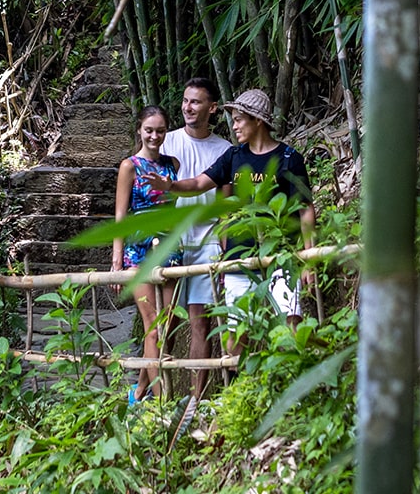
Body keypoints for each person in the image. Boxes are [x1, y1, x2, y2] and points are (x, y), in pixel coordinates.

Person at [154, 88, 315, 339]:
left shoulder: (289, 158)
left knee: (289, 328)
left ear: (258, 121)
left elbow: (305, 209)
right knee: (235, 338)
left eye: (239, 119)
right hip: (239, 258)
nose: (235, 126)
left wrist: (308, 258)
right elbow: (198, 183)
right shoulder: (233, 156)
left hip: (282, 255)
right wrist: (171, 186)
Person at [161, 77, 232, 405]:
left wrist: (225, 246)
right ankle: (157, 397)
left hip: (207, 242)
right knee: (165, 321)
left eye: (196, 102)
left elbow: (230, 205)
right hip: (170, 240)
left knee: (199, 321)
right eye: (186, 101)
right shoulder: (166, 142)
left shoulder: (225, 151)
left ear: (212, 107)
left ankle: (195, 402)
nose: (188, 107)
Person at [111, 105, 180, 404]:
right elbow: (120, 214)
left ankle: (138, 391)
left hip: (169, 246)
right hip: (138, 249)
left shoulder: (172, 164)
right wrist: (116, 260)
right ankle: (160, 403)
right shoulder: (130, 166)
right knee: (152, 325)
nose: (154, 136)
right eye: (149, 130)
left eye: (160, 130)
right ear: (139, 129)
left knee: (169, 324)